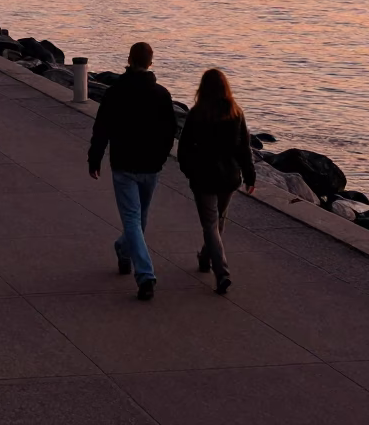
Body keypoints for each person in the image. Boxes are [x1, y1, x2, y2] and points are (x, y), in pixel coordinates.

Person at [88, 41, 177, 301]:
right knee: (139, 219)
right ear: (151, 62)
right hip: (151, 166)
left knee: (134, 220)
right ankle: (145, 274)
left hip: (124, 164)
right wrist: (161, 157)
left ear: (129, 59)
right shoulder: (161, 94)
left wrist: (95, 159)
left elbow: (101, 128)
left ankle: (124, 251)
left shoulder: (116, 91)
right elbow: (170, 131)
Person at [177, 68, 256, 296]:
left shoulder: (197, 113)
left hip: (203, 177)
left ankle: (221, 273)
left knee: (211, 224)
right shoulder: (236, 113)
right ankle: (205, 258)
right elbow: (244, 149)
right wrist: (249, 175)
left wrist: (188, 171)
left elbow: (184, 148)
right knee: (218, 221)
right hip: (228, 178)